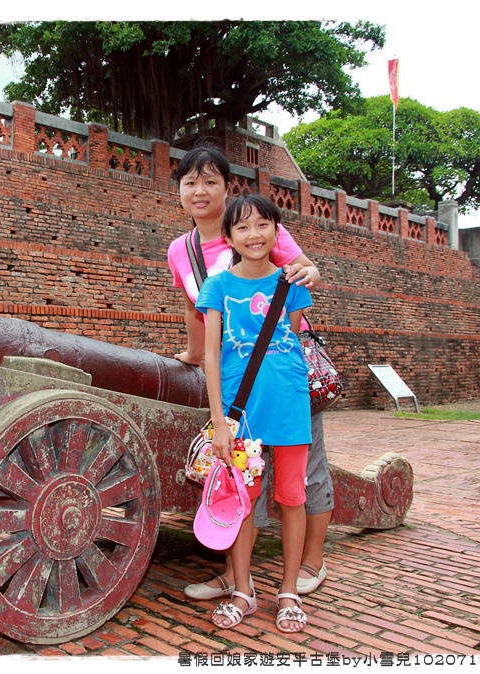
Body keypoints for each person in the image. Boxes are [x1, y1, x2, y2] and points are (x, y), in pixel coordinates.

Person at [167, 144, 332, 601]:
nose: (200, 191)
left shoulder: (253, 225)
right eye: (190, 182)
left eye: (210, 181)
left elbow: (304, 269)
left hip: (284, 368)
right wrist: (193, 353)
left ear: (226, 188)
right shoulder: (181, 249)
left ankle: (310, 562)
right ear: (179, 191)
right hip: (238, 376)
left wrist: (312, 273)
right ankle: (238, 576)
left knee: (307, 470)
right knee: (240, 479)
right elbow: (192, 306)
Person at [195, 193, 312, 632]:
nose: (254, 234)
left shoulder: (291, 283)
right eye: (242, 227)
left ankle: (288, 591)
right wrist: (219, 422)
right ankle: (243, 589)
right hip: (239, 412)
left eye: (263, 224)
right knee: (240, 501)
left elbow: (292, 338)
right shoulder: (218, 287)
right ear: (228, 237)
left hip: (289, 404)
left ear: (277, 232)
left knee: (292, 498)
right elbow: (211, 355)